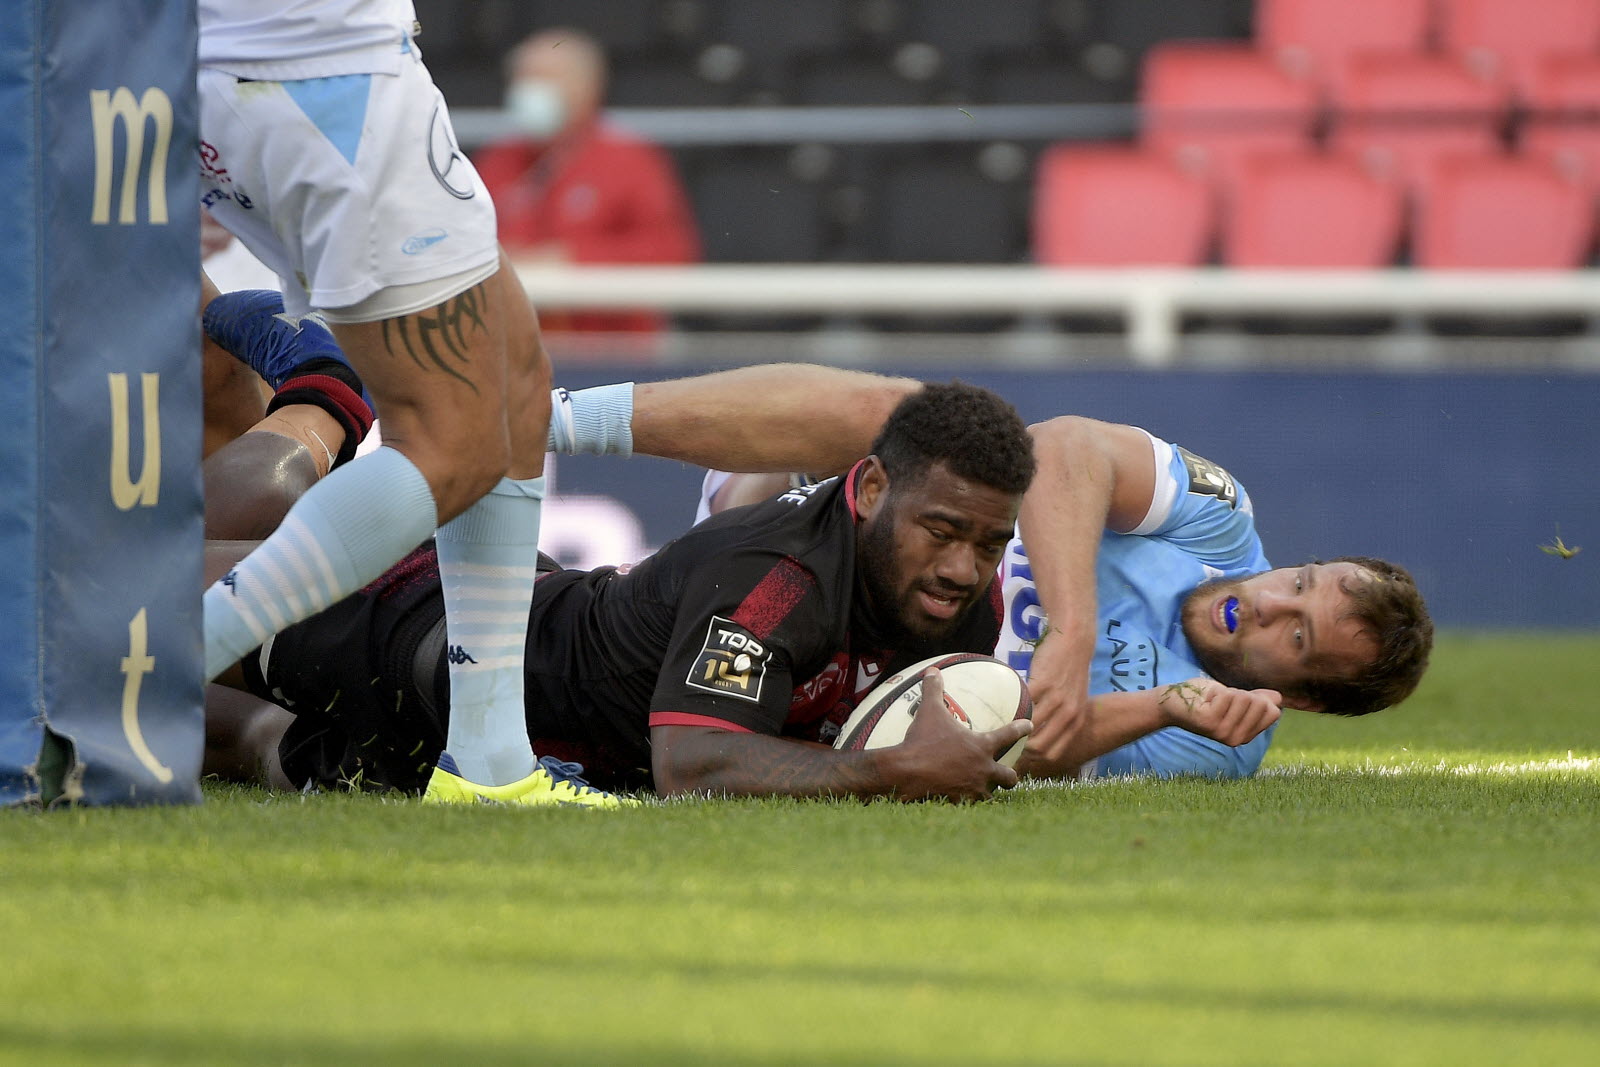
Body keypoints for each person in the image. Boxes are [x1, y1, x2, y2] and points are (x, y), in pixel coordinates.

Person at [205, 378, 1037, 802]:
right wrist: (893, 771)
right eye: (942, 531)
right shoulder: (782, 580)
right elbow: (693, 762)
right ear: (871, 489)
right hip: (432, 637)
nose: (964, 569)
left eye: (989, 543)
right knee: (147, 613)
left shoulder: (961, 601)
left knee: (249, 747)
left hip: (500, 744)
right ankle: (320, 395)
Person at [195, 2, 579, 805]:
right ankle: (135, 666)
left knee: (514, 377)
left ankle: (489, 761)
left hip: (277, 67)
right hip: (318, 65)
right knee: (458, 447)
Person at [675, 397, 1433, 780]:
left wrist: (1165, 704)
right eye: (1299, 582)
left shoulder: (1224, 738)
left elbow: (1021, 758)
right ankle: (632, 434)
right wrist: (1070, 630)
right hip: (843, 545)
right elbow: (1061, 444)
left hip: (859, 667)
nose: (1268, 602)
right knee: (899, 410)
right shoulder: (1221, 521)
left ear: (1300, 698)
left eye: (1296, 636)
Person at [473, 27, 701, 334]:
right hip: (514, 343)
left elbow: (670, 251)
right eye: (523, 79)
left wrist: (572, 259)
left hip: (609, 345)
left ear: (588, 87)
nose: (529, 89)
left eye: (545, 78)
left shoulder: (629, 158)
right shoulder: (498, 158)